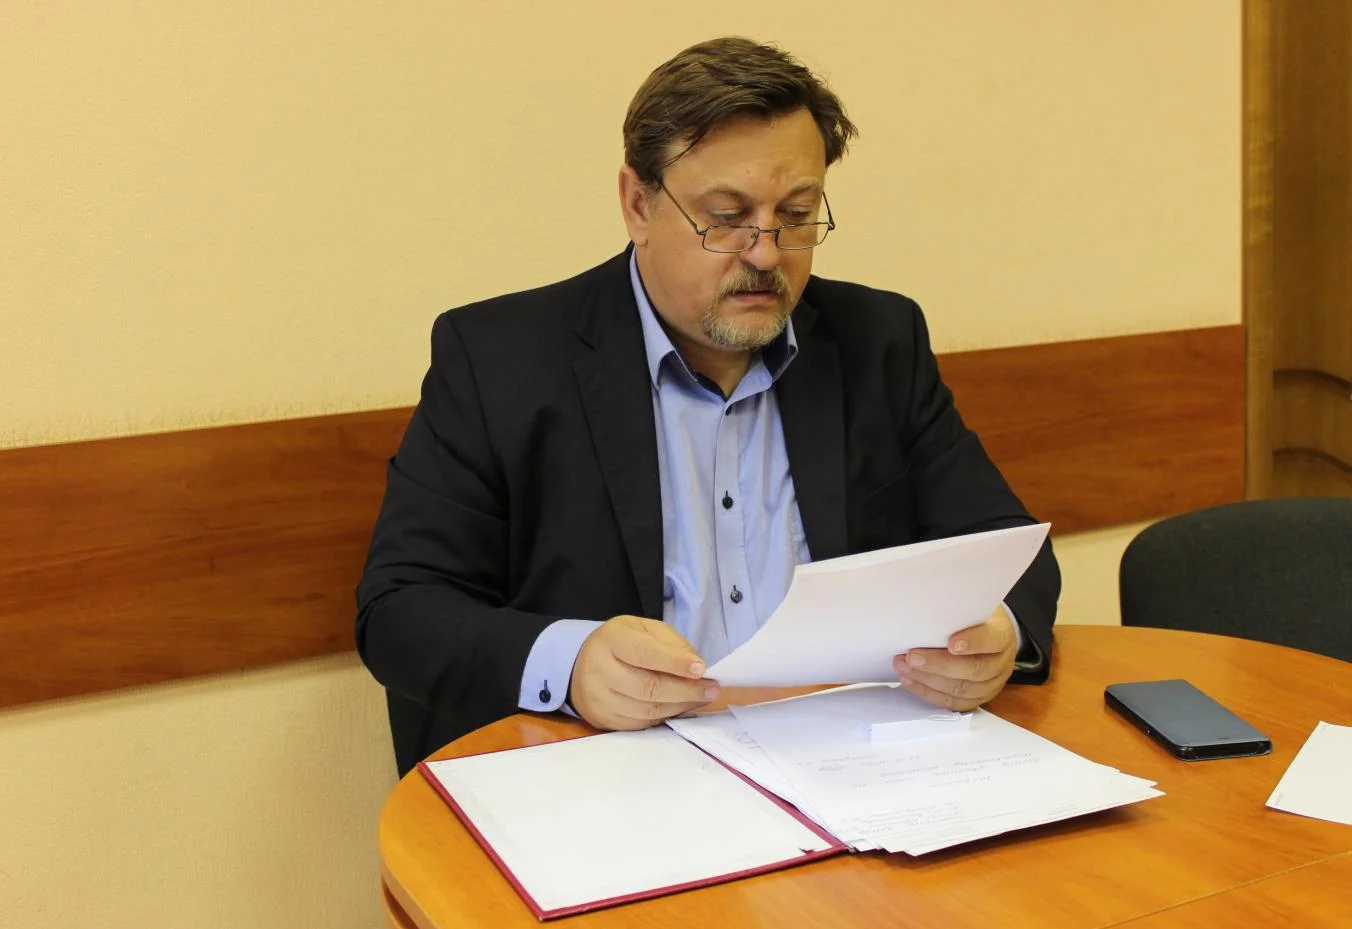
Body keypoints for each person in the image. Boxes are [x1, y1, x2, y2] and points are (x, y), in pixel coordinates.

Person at [357, 36, 1061, 774]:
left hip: (848, 764)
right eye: (726, 217)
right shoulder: (500, 359)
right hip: (613, 775)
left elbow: (1007, 546)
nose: (765, 253)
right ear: (638, 204)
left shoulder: (877, 340)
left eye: (796, 213)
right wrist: (573, 663)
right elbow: (400, 609)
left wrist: (997, 634)